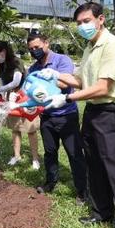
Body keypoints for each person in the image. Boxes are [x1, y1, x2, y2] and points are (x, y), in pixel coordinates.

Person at [39, 2, 115, 228]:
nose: (83, 26)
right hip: (93, 114)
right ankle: (101, 212)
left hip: (111, 114)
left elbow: (103, 87)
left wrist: (67, 98)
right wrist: (55, 76)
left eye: (86, 20)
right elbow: (81, 80)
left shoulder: (113, 46)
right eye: (79, 23)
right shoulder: (89, 47)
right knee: (94, 166)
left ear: (100, 19)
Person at [26, 33, 87, 203]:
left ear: (47, 43)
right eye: (31, 49)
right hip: (47, 116)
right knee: (50, 152)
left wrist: (49, 78)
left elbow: (65, 83)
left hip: (66, 115)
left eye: (37, 47)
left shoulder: (62, 60)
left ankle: (82, 190)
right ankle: (51, 181)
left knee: (74, 154)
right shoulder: (33, 69)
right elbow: (30, 91)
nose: (34, 51)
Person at [0, 41, 40, 170]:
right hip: (10, 99)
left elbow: (16, 81)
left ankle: (35, 159)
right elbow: (2, 85)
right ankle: (17, 155)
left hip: (24, 97)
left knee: (30, 129)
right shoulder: (0, 67)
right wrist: (0, 98)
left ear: (4, 51)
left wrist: (15, 94)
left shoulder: (16, 62)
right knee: (15, 128)